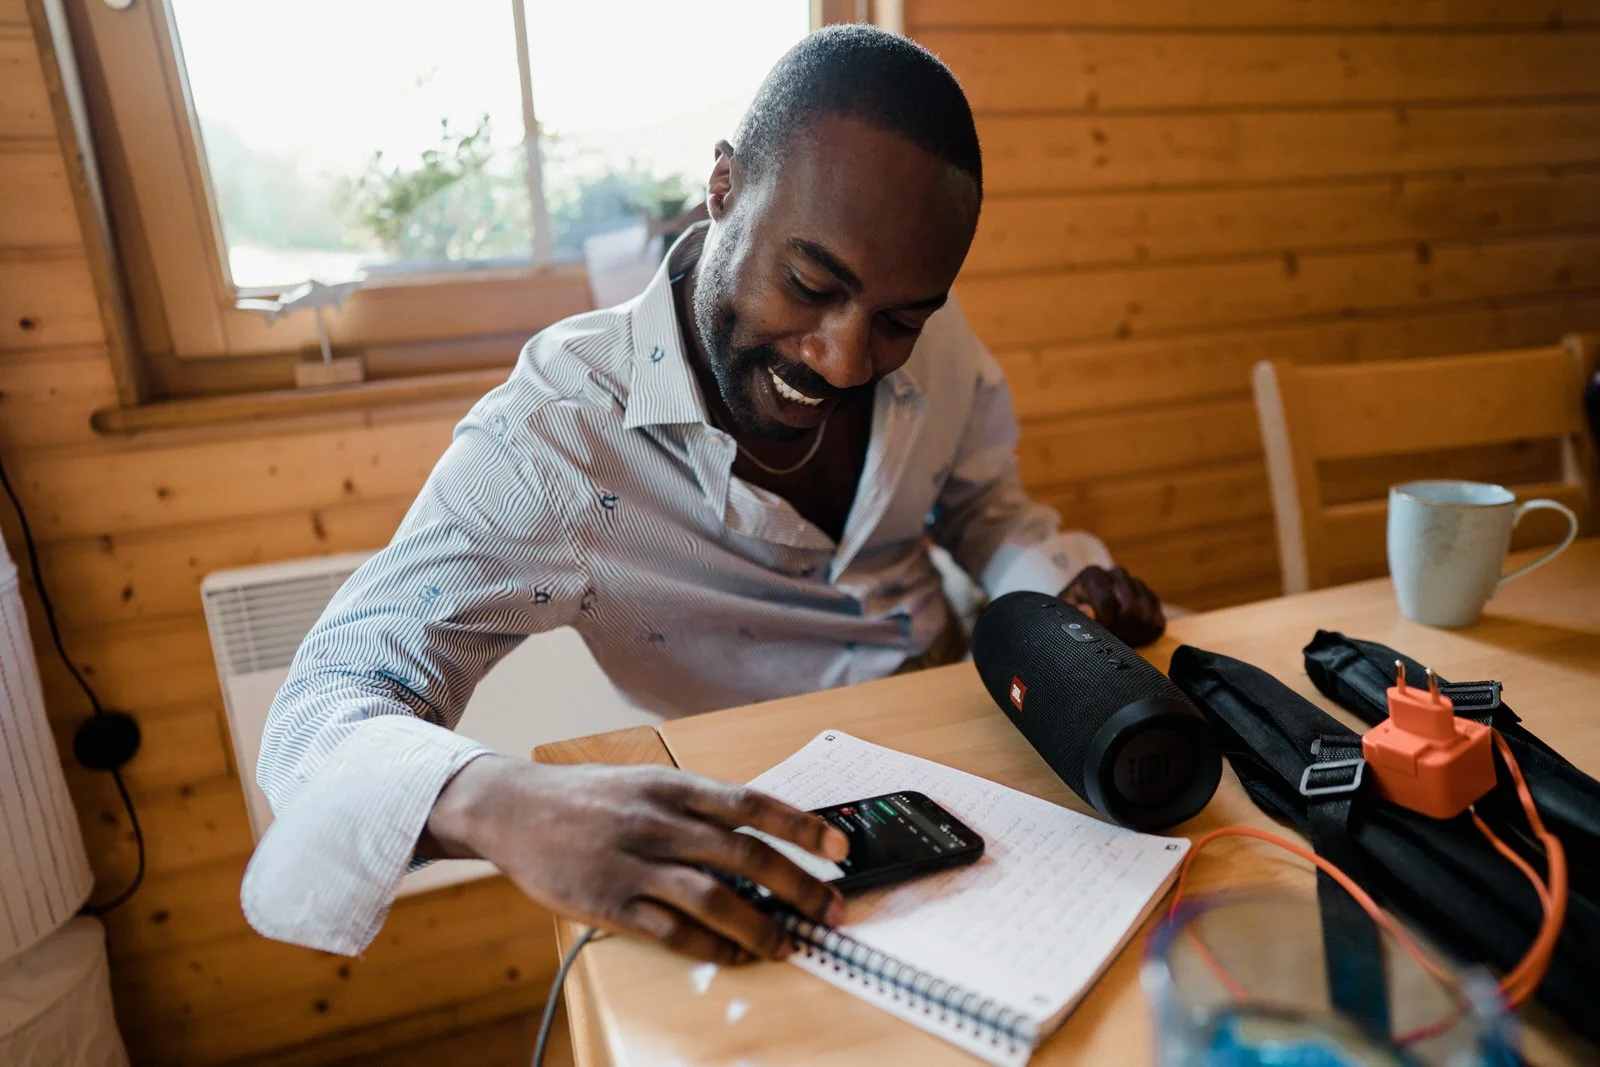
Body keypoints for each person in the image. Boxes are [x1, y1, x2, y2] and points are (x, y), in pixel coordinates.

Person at [243, 25, 1166, 967]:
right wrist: (491, 800)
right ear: (722, 188)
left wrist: (1061, 587)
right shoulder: (558, 436)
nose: (846, 359)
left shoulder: (930, 321)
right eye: (808, 284)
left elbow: (982, 507)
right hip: (750, 839)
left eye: (895, 322)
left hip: (973, 767)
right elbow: (323, 704)